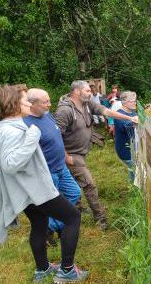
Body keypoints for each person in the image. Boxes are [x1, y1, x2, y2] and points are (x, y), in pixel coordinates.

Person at [0, 85, 87, 282]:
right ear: (15, 104)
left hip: (26, 190)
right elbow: (10, 164)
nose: (28, 103)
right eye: (25, 100)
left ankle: (42, 269)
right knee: (72, 217)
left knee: (40, 223)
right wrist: (33, 137)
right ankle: (67, 271)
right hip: (35, 189)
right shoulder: (11, 130)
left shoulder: (5, 126)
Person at [55, 80, 139, 230]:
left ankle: (77, 207)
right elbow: (55, 136)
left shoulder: (87, 104)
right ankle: (100, 218)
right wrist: (66, 157)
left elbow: (106, 112)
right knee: (90, 184)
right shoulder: (65, 111)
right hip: (72, 155)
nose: (91, 93)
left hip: (82, 152)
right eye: (87, 91)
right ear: (76, 92)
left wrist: (129, 118)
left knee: (74, 183)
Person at [23, 88, 81, 243]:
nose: (49, 104)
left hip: (61, 167)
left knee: (74, 192)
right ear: (32, 104)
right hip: (47, 172)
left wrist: (66, 156)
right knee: (50, 205)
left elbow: (57, 137)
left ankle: (51, 227)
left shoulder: (47, 115)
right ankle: (56, 227)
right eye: (45, 102)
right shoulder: (26, 124)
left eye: (49, 100)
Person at [114, 91, 138, 183]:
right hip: (125, 149)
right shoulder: (119, 114)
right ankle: (133, 187)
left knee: (134, 168)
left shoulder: (133, 113)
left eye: (135, 101)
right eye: (132, 101)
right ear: (124, 102)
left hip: (134, 147)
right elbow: (125, 126)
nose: (134, 103)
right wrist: (134, 121)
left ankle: (133, 186)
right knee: (135, 168)